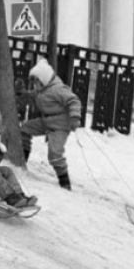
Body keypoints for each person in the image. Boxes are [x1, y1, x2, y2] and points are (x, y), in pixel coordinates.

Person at [21, 57, 82, 190]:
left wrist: (75, 117)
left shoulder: (58, 89)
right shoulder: (42, 89)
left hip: (60, 127)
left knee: (55, 153)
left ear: (43, 79)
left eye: (36, 82)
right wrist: (23, 94)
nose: (35, 85)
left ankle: (64, 182)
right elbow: (35, 95)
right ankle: (23, 160)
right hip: (47, 121)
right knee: (25, 128)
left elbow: (74, 101)